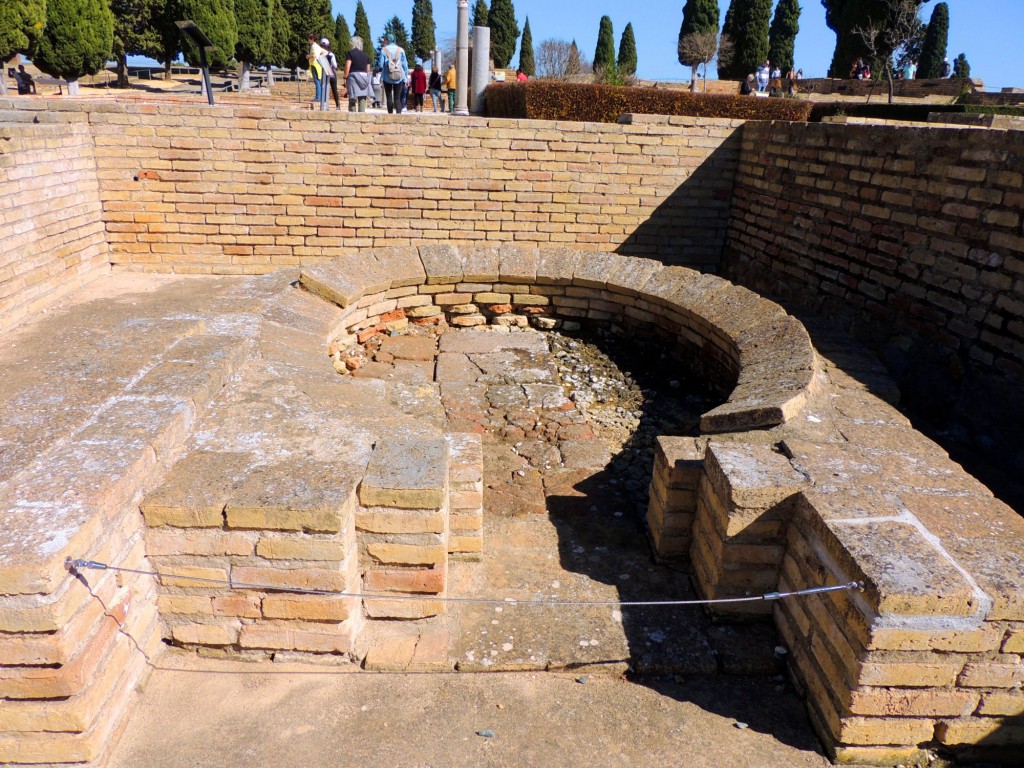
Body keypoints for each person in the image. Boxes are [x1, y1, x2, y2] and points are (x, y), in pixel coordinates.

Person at [377, 34, 409, 114]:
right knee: (397, 98)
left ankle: (390, 114)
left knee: (389, 97)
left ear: (387, 40)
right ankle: (398, 115)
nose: (384, 41)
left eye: (385, 39)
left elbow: (380, 64)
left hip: (387, 76)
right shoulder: (400, 50)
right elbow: (405, 64)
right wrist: (406, 76)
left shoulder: (383, 50)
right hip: (399, 76)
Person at [344, 36, 372, 113]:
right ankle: (361, 115)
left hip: (353, 76)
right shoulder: (366, 55)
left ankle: (352, 115)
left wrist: (345, 77)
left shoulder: (350, 53)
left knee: (352, 98)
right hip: (364, 77)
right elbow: (368, 69)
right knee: (362, 98)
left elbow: (347, 66)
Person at [307, 34, 330, 109]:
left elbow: (315, 55)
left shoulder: (313, 46)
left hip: (314, 64)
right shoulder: (318, 46)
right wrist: (321, 58)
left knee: (316, 81)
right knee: (319, 81)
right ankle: (319, 96)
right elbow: (326, 52)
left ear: (312, 39)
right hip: (319, 65)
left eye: (309, 39)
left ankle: (318, 97)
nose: (308, 41)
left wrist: (308, 56)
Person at [322, 39, 341, 110]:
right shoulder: (331, 54)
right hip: (331, 73)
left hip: (324, 73)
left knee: (324, 88)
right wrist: (336, 67)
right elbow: (335, 65)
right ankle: (337, 105)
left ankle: (324, 105)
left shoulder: (320, 54)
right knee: (334, 90)